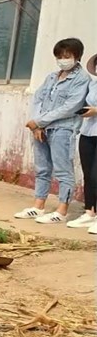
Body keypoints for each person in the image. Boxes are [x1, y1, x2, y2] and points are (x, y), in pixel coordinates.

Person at [15, 38, 90, 224]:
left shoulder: (81, 79)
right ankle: (38, 206)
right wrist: (37, 125)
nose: (63, 60)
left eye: (67, 56)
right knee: (42, 169)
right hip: (41, 129)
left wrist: (39, 121)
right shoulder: (52, 77)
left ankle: (62, 210)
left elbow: (70, 106)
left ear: (77, 56)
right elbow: (38, 99)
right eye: (59, 56)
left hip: (63, 129)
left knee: (63, 171)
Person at [68, 53, 97, 232]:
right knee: (87, 174)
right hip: (88, 133)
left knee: (96, 175)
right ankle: (89, 211)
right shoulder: (92, 84)